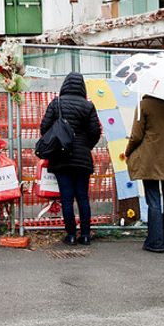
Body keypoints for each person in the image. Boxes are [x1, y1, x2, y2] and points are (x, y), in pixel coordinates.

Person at [38, 72, 103, 245]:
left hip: (61, 157)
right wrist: (86, 146)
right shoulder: (88, 106)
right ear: (82, 86)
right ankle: (86, 235)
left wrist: (57, 139)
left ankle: (71, 235)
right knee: (82, 196)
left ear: (65, 85)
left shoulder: (56, 103)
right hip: (82, 158)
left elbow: (44, 128)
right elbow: (96, 131)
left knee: (66, 198)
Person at [124, 94, 164, 253]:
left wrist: (128, 152)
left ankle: (156, 242)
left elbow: (136, 136)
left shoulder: (144, 105)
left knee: (153, 200)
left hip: (151, 159)